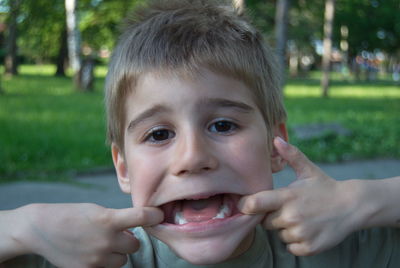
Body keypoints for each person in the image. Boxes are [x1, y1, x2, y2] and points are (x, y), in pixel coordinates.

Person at [1, 0, 399, 267]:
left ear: (275, 145)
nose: (192, 157)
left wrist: (361, 200)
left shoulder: (333, 244)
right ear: (122, 167)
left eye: (223, 125)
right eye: (158, 134)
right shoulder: (85, 256)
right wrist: (26, 226)